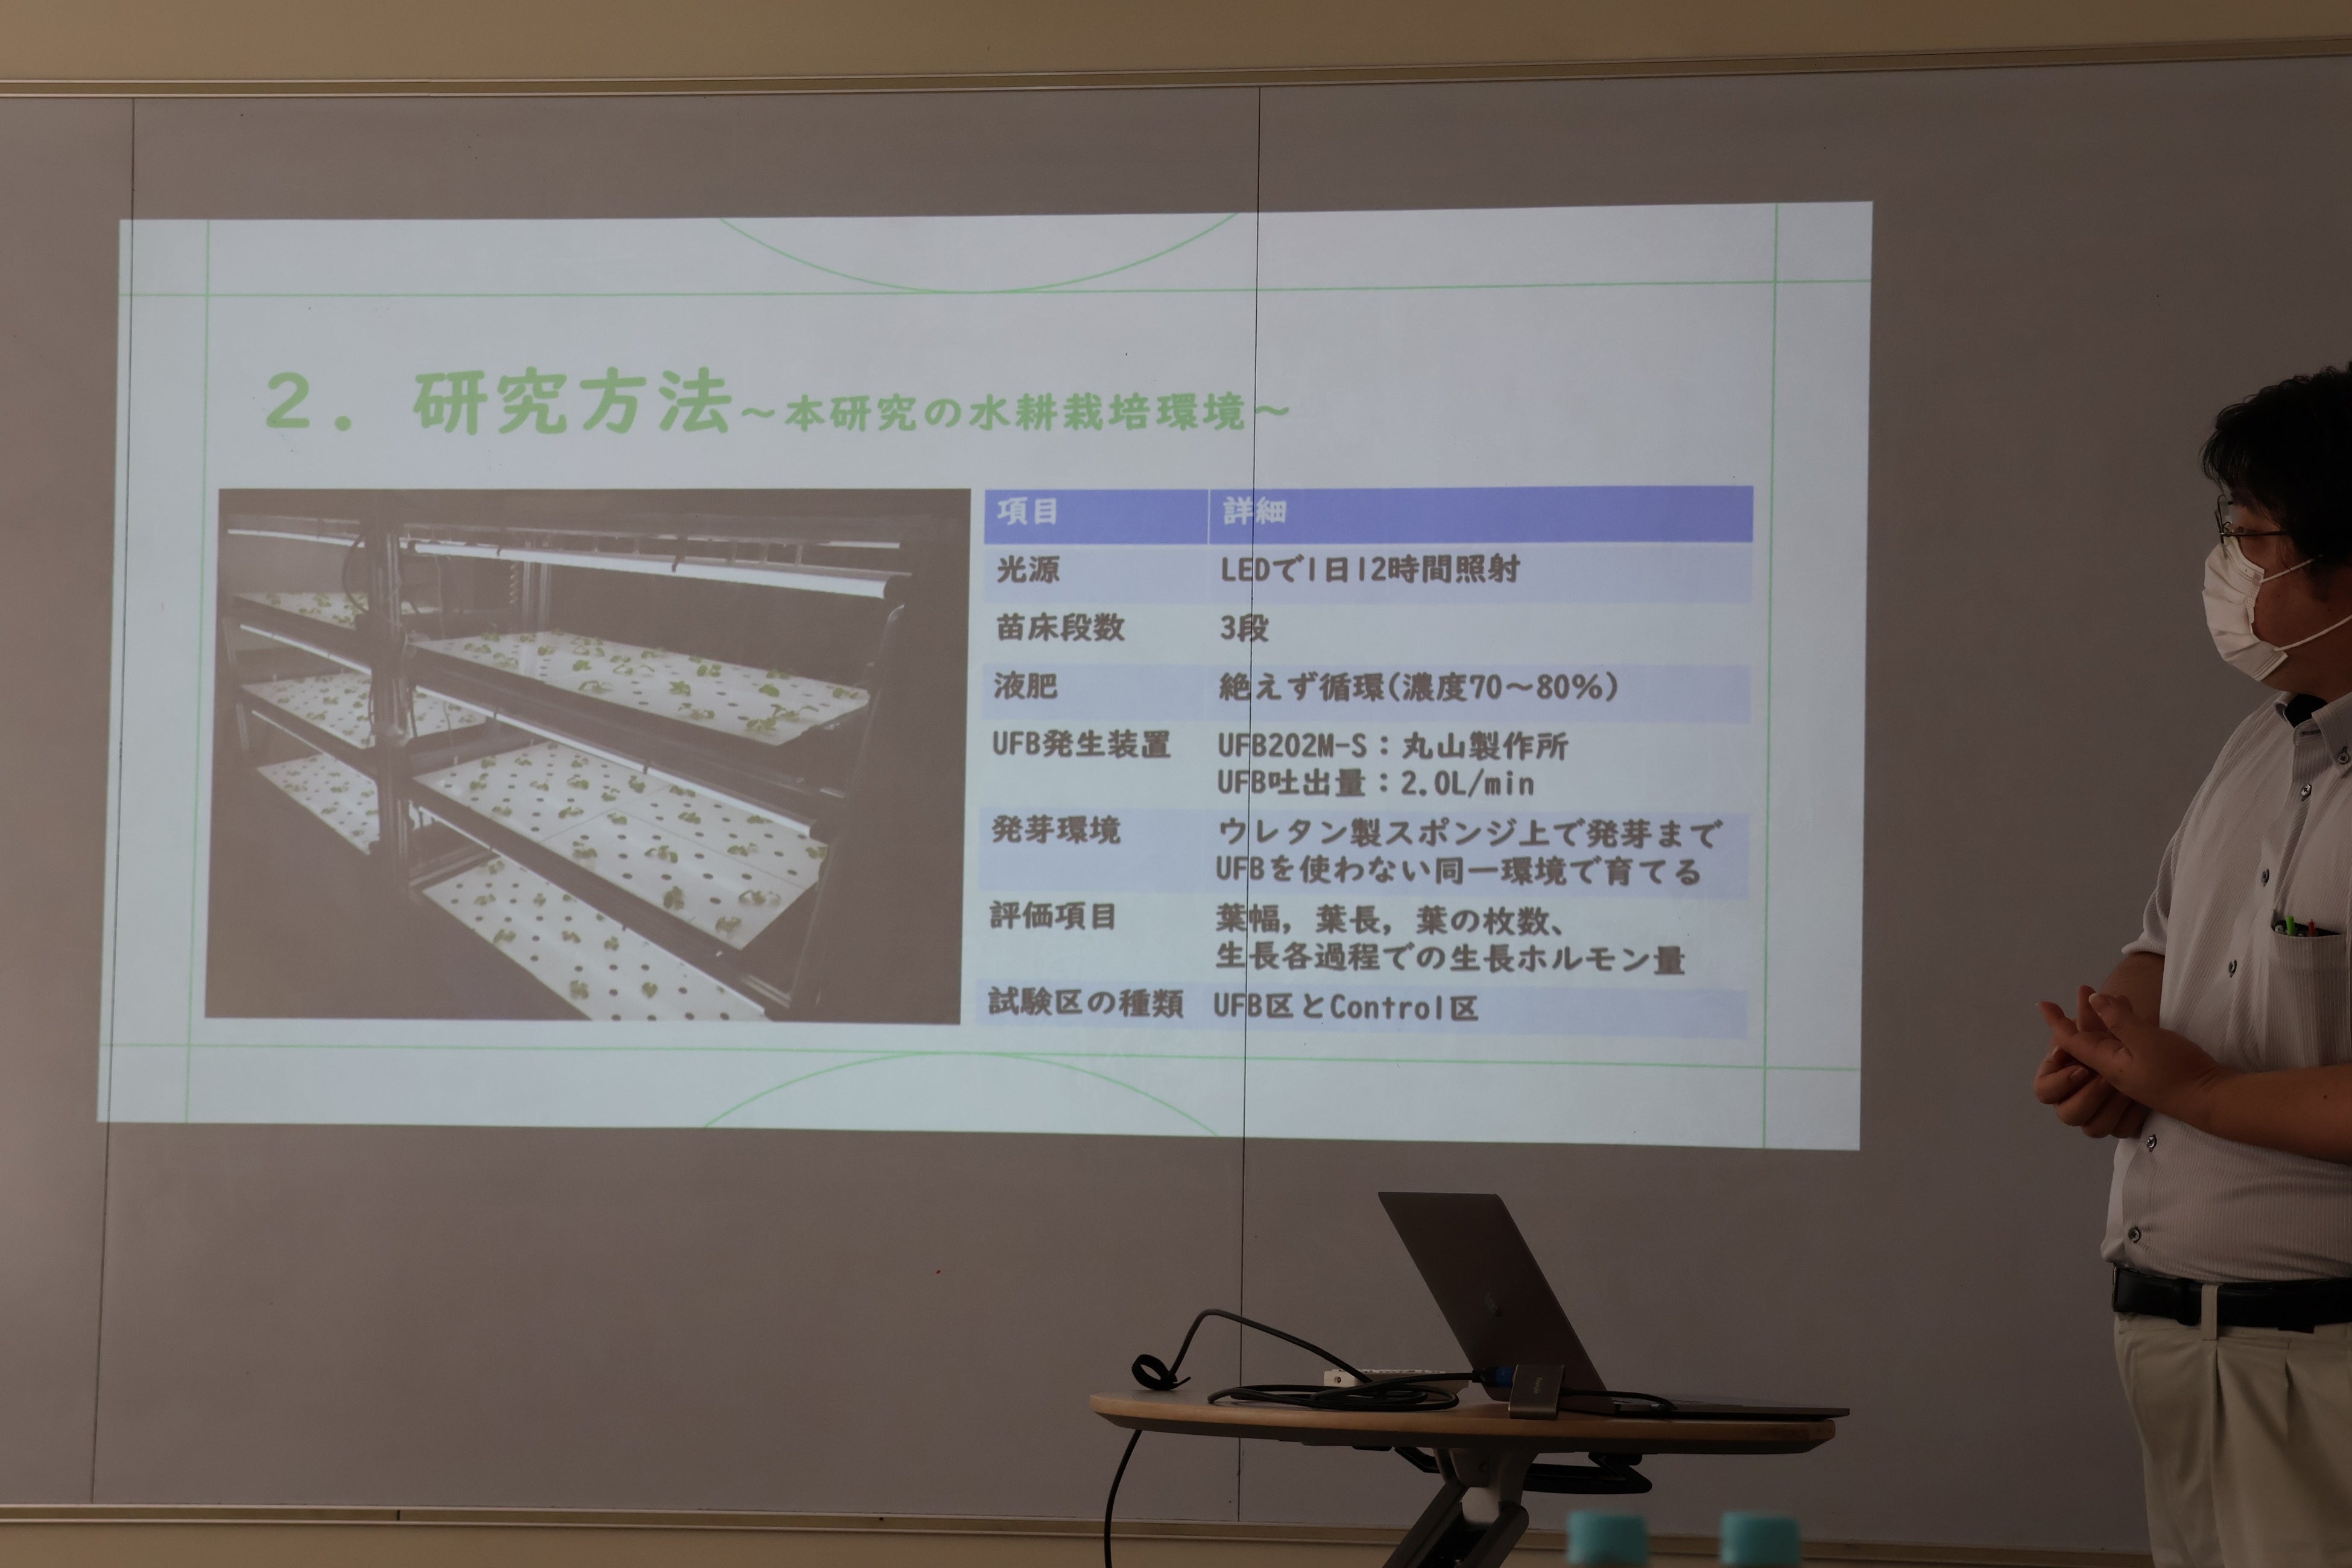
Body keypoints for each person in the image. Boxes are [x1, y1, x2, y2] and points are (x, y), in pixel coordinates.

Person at [2037, 365, 2352, 1567]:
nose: (2229, 569)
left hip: (2322, 1357)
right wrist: (2110, 1060)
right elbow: (2160, 946)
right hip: (2181, 1342)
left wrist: (2196, 1090)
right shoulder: (2259, 743)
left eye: (2254, 540)